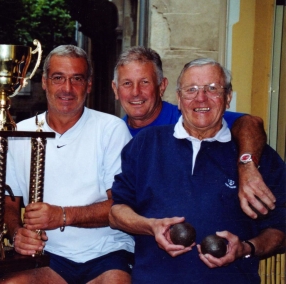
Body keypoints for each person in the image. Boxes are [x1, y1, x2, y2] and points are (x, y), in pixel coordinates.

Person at [109, 58, 285, 283]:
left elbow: (281, 229)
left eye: (212, 89)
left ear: (228, 97)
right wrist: (151, 226)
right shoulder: (146, 144)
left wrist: (246, 248)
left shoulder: (255, 156)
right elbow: (116, 213)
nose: (201, 98)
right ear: (179, 99)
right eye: (191, 90)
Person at [0, 45, 135, 284]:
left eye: (77, 79)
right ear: (44, 82)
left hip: (106, 252)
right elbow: (10, 203)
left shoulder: (111, 130)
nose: (67, 89)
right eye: (58, 78)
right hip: (46, 255)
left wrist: (62, 216)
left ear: (89, 85)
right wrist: (17, 233)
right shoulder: (20, 133)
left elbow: (119, 205)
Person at [111, 46, 275, 219]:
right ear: (115, 89)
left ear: (162, 86)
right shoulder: (114, 133)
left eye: (145, 82)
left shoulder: (192, 117)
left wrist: (247, 165)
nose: (136, 92)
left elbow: (250, 123)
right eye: (127, 83)